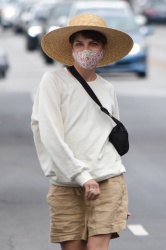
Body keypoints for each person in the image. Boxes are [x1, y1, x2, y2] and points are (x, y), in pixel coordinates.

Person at [31, 13, 133, 250]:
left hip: (107, 181)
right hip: (67, 183)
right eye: (80, 44)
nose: (86, 49)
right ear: (71, 48)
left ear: (103, 49)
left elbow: (111, 140)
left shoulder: (107, 89)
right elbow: (50, 134)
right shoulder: (53, 81)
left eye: (93, 43)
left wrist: (118, 200)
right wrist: (82, 176)